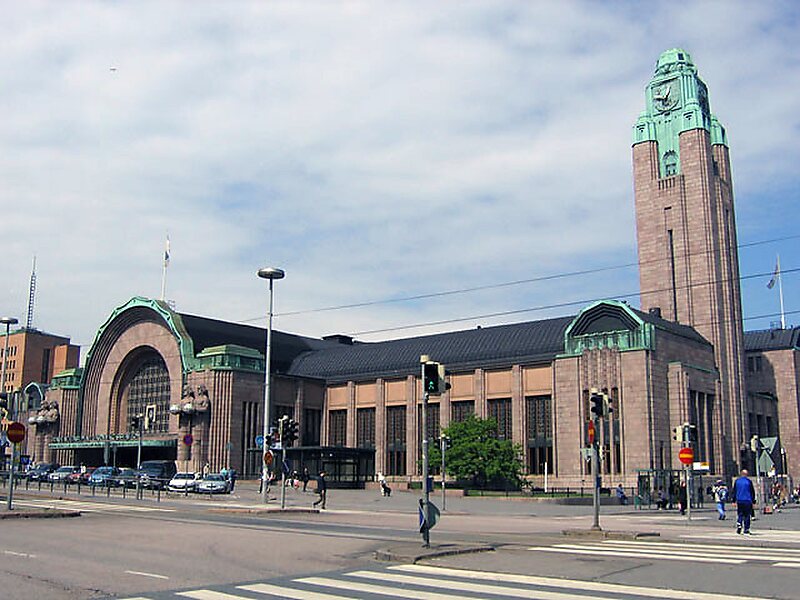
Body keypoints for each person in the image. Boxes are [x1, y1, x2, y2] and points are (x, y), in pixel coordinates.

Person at [732, 468, 756, 534]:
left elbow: (734, 491)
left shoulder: (737, 481)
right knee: (747, 515)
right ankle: (746, 529)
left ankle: (739, 523)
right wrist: (753, 501)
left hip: (739, 500)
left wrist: (733, 501)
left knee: (740, 514)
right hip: (748, 500)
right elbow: (752, 492)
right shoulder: (748, 481)